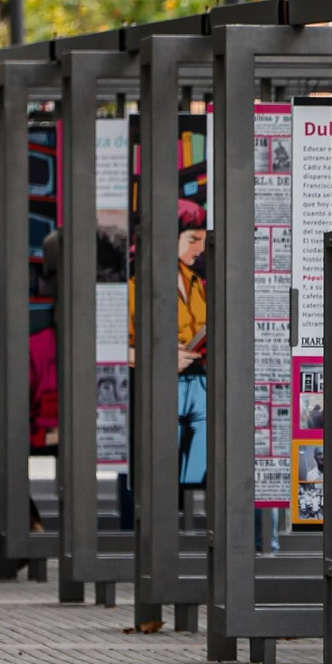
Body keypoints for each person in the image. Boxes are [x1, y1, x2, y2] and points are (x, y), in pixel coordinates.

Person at [128, 199, 209, 486]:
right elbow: (119, 345)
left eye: (203, 239)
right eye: (192, 239)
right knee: (161, 471)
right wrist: (158, 359)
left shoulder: (195, 281)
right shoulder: (137, 285)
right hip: (163, 383)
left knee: (197, 467)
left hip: (199, 383)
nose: (199, 248)